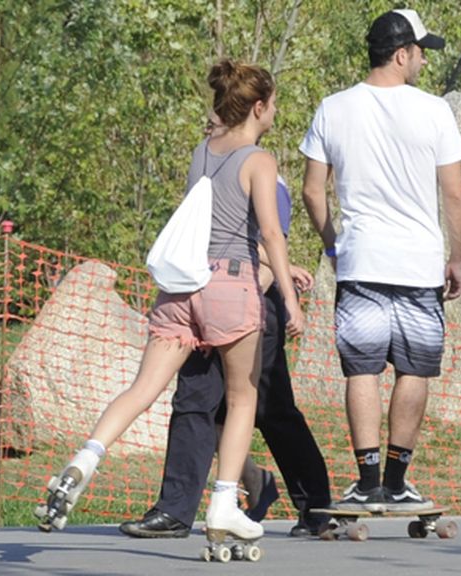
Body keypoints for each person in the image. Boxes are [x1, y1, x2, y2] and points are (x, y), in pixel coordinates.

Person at [35, 59, 304, 543]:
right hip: (230, 286)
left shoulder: (202, 151)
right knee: (243, 397)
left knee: (142, 389)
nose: (275, 112)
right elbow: (268, 231)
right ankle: (224, 503)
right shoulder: (260, 161)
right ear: (259, 107)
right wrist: (289, 295)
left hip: (181, 290)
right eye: (274, 105)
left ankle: (84, 459)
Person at [117, 121, 332, 540]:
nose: (208, 124)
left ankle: (316, 507)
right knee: (193, 403)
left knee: (273, 412)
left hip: (250, 306)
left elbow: (271, 253)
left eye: (218, 117)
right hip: (203, 301)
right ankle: (174, 511)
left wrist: (266, 307)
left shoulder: (268, 177)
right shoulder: (204, 169)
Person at [299, 9, 461, 512]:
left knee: (364, 370)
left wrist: (334, 245)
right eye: (419, 52)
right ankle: (397, 482)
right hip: (418, 264)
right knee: (414, 370)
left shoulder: (333, 108)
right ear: (401, 54)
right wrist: (456, 257)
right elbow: (455, 193)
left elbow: (313, 190)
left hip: (362, 262)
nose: (422, 61)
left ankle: (367, 480)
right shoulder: (435, 111)